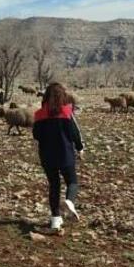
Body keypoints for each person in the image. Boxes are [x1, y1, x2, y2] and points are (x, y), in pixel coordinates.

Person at [32, 82, 84, 231]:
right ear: (63, 96)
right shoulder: (67, 112)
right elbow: (75, 134)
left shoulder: (39, 114)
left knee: (54, 185)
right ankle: (69, 201)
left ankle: (55, 219)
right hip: (65, 154)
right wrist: (80, 148)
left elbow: (36, 135)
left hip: (47, 156)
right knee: (72, 181)